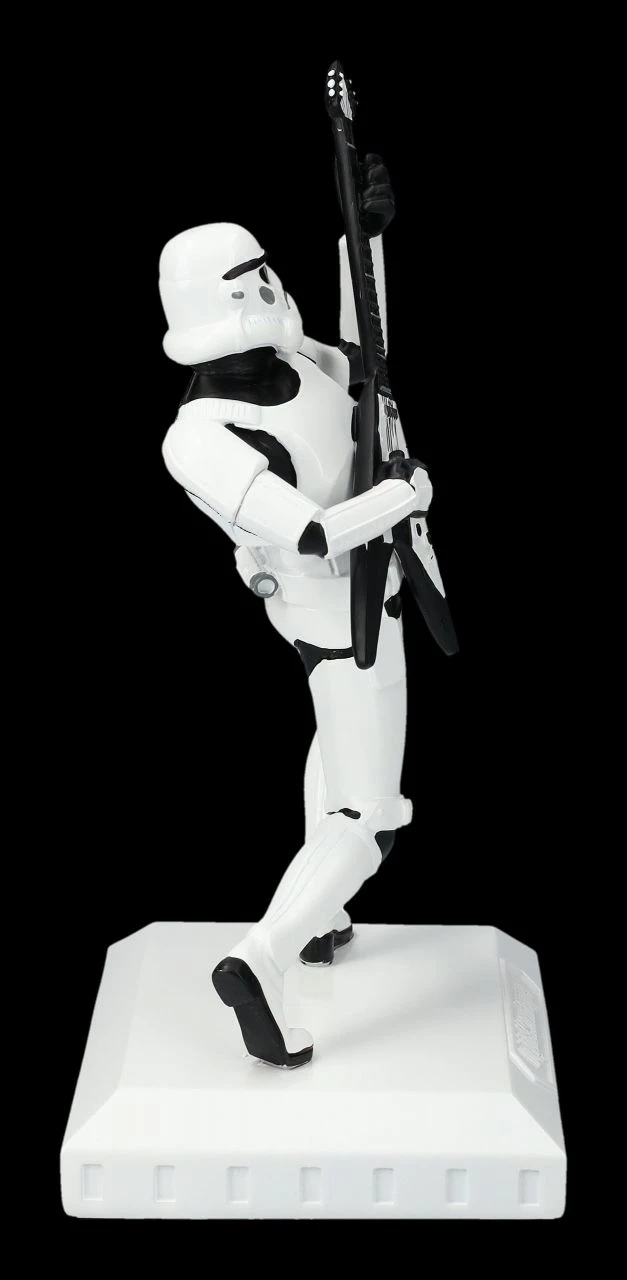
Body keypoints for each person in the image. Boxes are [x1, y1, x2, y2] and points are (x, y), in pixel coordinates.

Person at [159, 159, 431, 1067]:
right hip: (339, 611)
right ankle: (260, 960)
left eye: (265, 272)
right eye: (249, 283)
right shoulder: (200, 438)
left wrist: (365, 243)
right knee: (371, 814)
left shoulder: (289, 358)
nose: (269, 291)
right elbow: (312, 533)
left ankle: (321, 920)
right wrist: (404, 494)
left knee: (335, 746)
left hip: (361, 598)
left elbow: (362, 363)